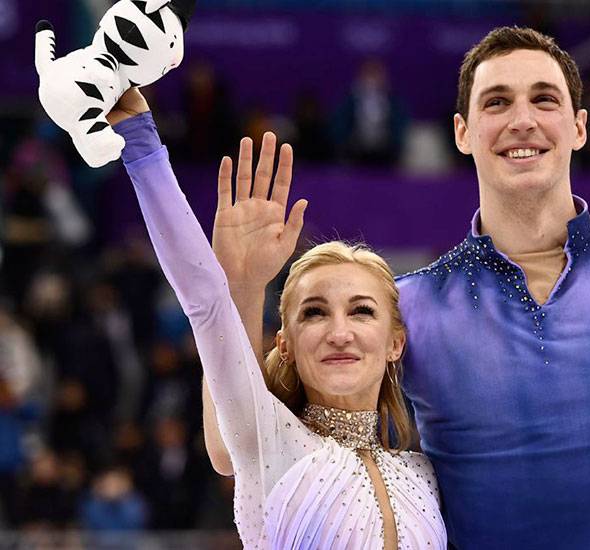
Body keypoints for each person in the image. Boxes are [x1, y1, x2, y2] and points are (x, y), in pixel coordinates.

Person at [205, 27, 590, 549]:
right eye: (497, 101)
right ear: (463, 131)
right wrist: (238, 287)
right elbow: (237, 448)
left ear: (579, 126)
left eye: (544, 99)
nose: (521, 120)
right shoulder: (410, 306)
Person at [108, 90, 446, 549]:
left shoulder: (424, 472)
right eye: (314, 313)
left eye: (362, 311)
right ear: (284, 342)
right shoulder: (271, 444)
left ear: (395, 342)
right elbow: (205, 301)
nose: (339, 332)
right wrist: (140, 142)